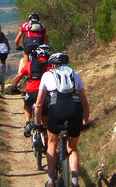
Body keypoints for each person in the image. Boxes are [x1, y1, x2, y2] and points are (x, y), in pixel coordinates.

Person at [35, 53, 90, 187]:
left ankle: (51, 179)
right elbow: (85, 103)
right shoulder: (75, 75)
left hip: (57, 109)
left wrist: (38, 124)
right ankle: (75, 180)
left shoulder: (47, 75)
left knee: (52, 143)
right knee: (72, 147)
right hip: (75, 109)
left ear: (52, 65)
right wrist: (85, 121)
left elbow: (39, 104)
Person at [12, 44, 51, 137]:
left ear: (37, 55)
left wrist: (14, 87)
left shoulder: (30, 64)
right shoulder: (50, 66)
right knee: (45, 115)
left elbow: (18, 77)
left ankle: (28, 123)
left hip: (31, 91)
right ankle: (46, 137)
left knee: (27, 104)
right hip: (44, 93)